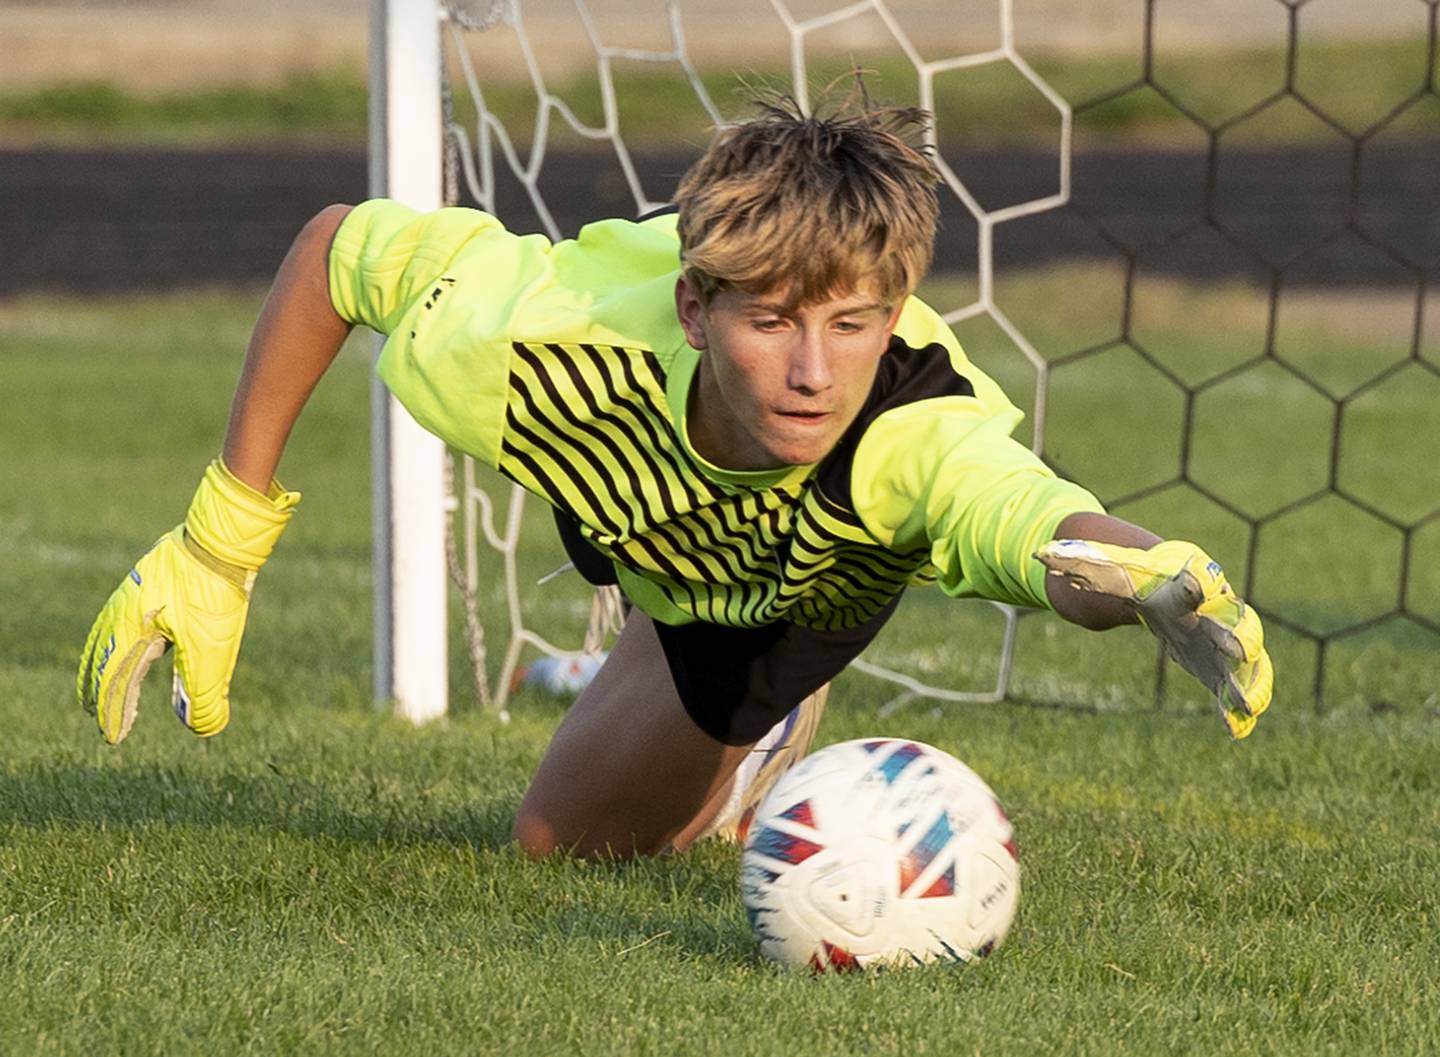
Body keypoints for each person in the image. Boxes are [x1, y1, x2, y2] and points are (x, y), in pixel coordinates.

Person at [77, 91, 1272, 859]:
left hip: (800, 589)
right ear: (695, 307)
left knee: (564, 849)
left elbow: (1038, 525)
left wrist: (1150, 576)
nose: (814, 371)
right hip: (643, 516)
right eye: (775, 323)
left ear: (896, 312)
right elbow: (336, 252)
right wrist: (218, 541)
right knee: (555, 847)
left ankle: (766, 722)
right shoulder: (545, 338)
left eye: (853, 324)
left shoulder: (911, 434)